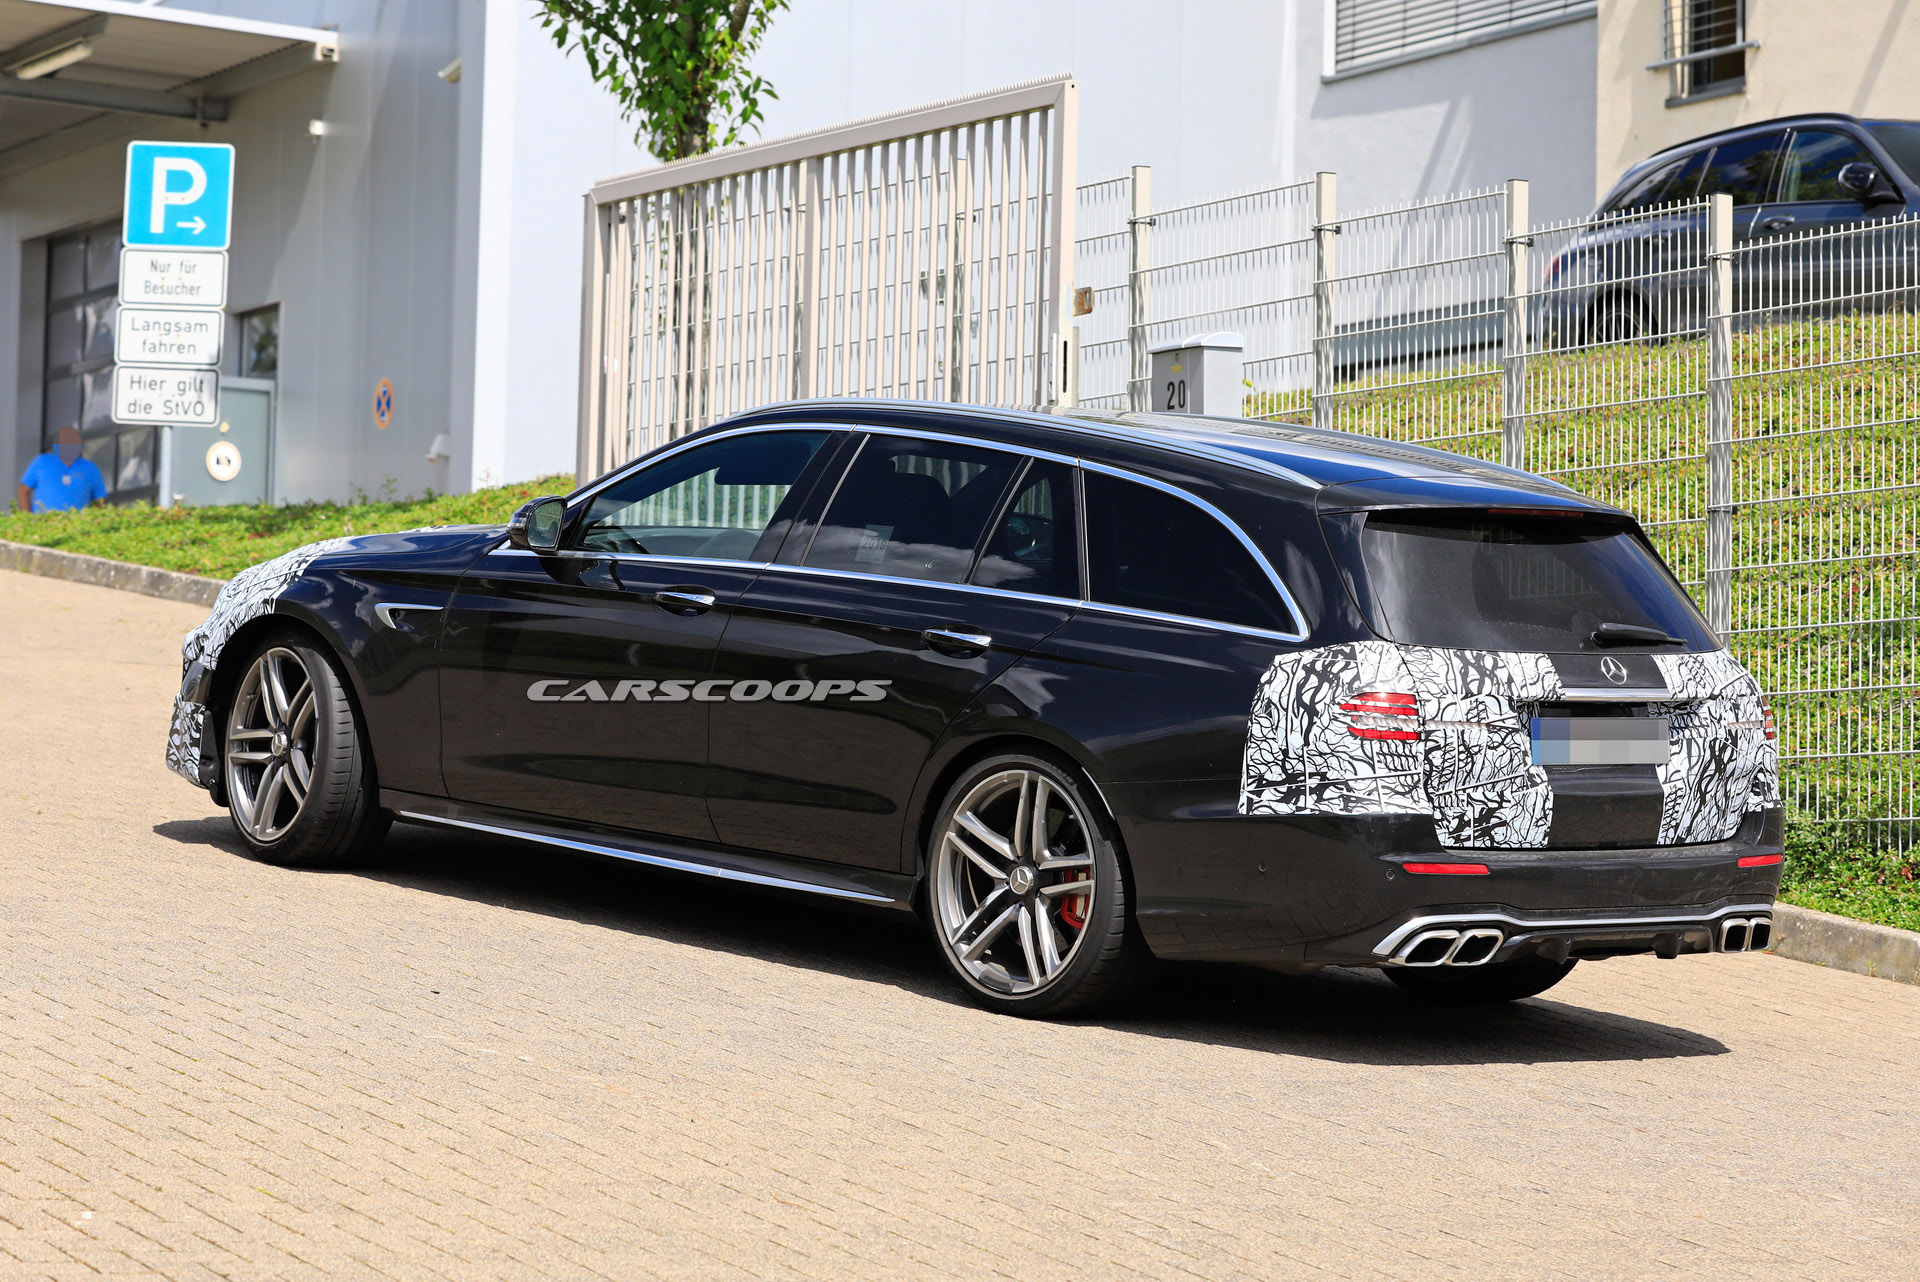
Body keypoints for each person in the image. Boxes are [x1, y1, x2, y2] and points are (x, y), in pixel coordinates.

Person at [16, 425, 108, 514]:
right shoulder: (42, 461)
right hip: (43, 525)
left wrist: (94, 521)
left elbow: (99, 499)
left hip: (77, 526)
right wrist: (27, 518)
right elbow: (23, 491)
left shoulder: (90, 468)